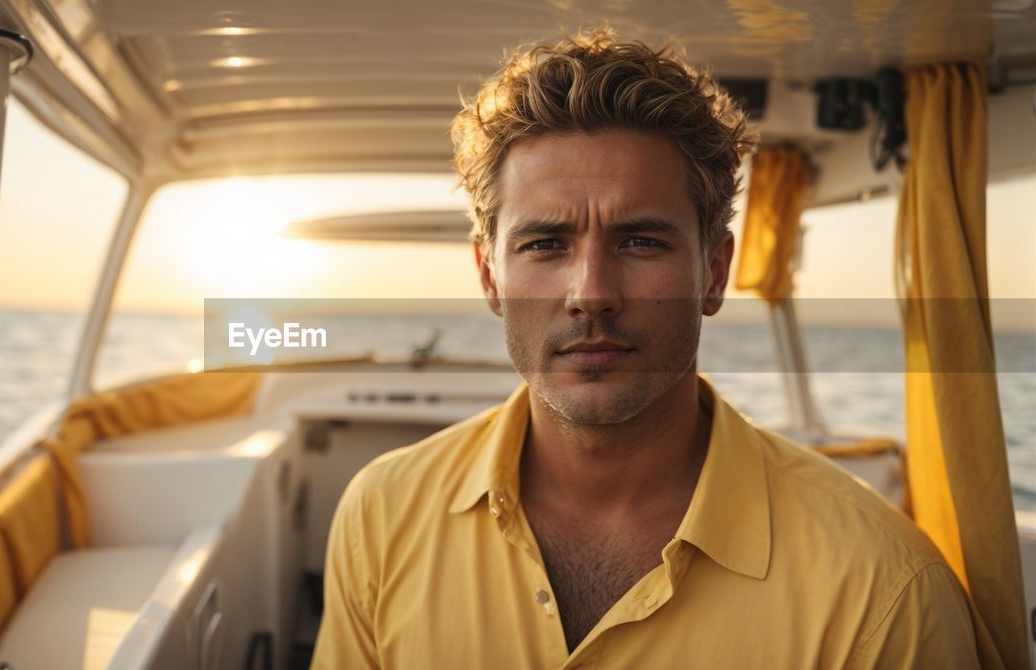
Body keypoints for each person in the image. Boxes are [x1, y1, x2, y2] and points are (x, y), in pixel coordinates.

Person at [311, 28, 986, 669]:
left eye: (640, 241)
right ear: (491, 277)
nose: (591, 293)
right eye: (545, 244)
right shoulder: (383, 513)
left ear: (714, 273)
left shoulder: (884, 594)